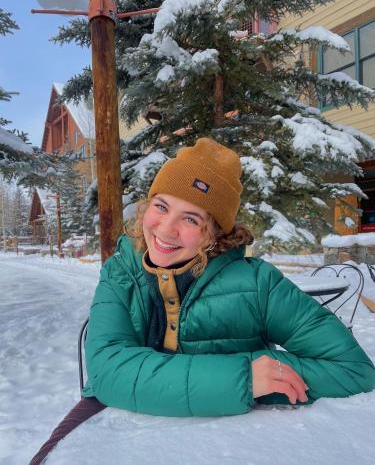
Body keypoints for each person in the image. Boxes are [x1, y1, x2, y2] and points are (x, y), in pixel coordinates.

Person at [29, 137, 375, 464]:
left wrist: (269, 372)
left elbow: (355, 371)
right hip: (113, 418)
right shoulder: (121, 269)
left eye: (191, 219)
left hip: (227, 441)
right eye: (161, 207)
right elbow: (107, 369)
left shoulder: (258, 283)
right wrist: (242, 377)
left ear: (215, 232)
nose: (165, 230)